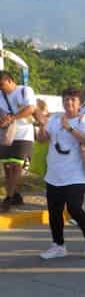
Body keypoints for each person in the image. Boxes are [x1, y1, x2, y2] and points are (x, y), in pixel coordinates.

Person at [35, 88, 85, 260]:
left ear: (79, 104)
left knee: (73, 208)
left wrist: (69, 128)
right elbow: (42, 139)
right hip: (54, 174)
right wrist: (41, 124)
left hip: (76, 175)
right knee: (54, 212)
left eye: (72, 100)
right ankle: (58, 245)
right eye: (66, 99)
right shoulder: (54, 120)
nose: (69, 103)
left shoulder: (84, 119)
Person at [0, 70, 36, 211]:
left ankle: (8, 198)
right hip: (7, 134)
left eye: (2, 84)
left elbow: (31, 108)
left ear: (10, 81)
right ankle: (15, 195)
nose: (1, 88)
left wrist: (13, 118)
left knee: (16, 167)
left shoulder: (25, 91)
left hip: (24, 134)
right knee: (7, 168)